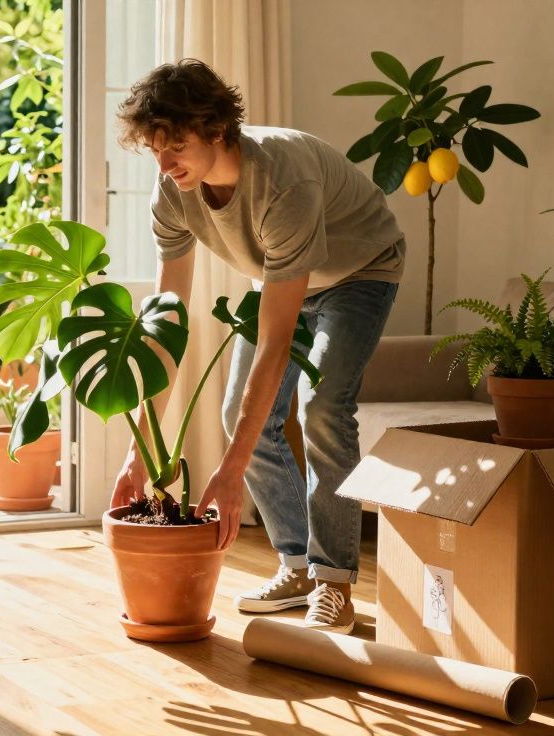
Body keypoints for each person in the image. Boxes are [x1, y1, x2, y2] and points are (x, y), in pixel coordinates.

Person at [111, 59, 406, 634]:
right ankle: (296, 564)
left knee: (323, 409)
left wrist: (229, 472)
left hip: (360, 273)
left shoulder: (284, 181)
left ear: (216, 129)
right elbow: (167, 322)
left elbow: (274, 345)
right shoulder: (173, 192)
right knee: (235, 414)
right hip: (279, 277)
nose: (165, 166)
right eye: (155, 151)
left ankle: (335, 582)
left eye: (175, 148)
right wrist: (137, 449)